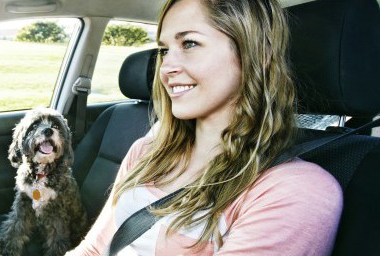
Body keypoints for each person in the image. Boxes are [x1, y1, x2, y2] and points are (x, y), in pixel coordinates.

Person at [67, 0, 343, 255]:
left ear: (255, 52)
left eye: (189, 44)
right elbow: (94, 249)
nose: (166, 68)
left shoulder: (296, 191)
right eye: (164, 50)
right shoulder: (147, 152)